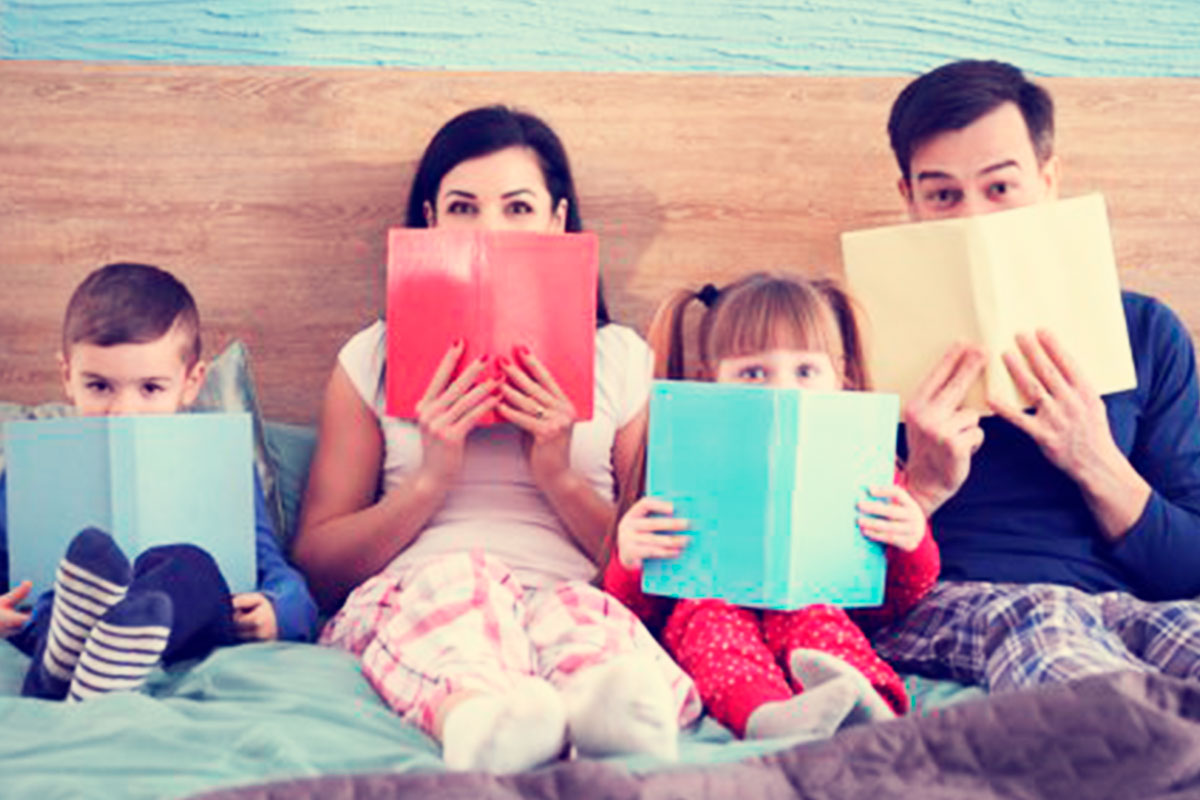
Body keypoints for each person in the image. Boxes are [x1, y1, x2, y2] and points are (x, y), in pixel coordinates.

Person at [293, 106, 701, 773]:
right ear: (430, 220)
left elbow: (651, 560)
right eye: (462, 207)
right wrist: (431, 478)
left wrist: (557, 474)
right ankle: (478, 719)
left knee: (584, 620)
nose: (490, 230)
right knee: (464, 583)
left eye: (517, 207)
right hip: (419, 589)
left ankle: (610, 721)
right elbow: (317, 562)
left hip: (571, 585)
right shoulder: (371, 357)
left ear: (557, 221)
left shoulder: (623, 359)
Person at [869, 59, 1200, 691]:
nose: (974, 219)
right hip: (961, 602)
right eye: (943, 195)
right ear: (908, 199)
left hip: (1121, 608)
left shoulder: (1146, 332)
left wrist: (1094, 459)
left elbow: (1190, 571)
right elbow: (826, 588)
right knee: (1045, 622)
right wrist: (924, 485)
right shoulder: (849, 345)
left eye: (999, 188)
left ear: (1048, 182)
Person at [603, 272, 939, 739]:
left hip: (818, 603)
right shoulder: (681, 460)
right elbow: (634, 614)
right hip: (708, 604)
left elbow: (899, 599)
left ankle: (869, 705)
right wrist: (631, 560)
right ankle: (764, 715)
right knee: (707, 619)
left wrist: (912, 540)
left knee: (815, 614)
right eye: (754, 373)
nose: (782, 390)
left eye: (805, 371)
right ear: (711, 382)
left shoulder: (865, 465)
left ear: (840, 379)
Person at [0, 262, 318, 701]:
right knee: (70, 581)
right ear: (67, 377)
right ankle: (76, 666)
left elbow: (275, 572)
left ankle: (92, 659)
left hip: (182, 621)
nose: (123, 409)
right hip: (58, 618)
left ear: (191, 383)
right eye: (99, 386)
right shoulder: (33, 469)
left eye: (150, 388)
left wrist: (278, 611)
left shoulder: (220, 464)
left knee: (191, 565)